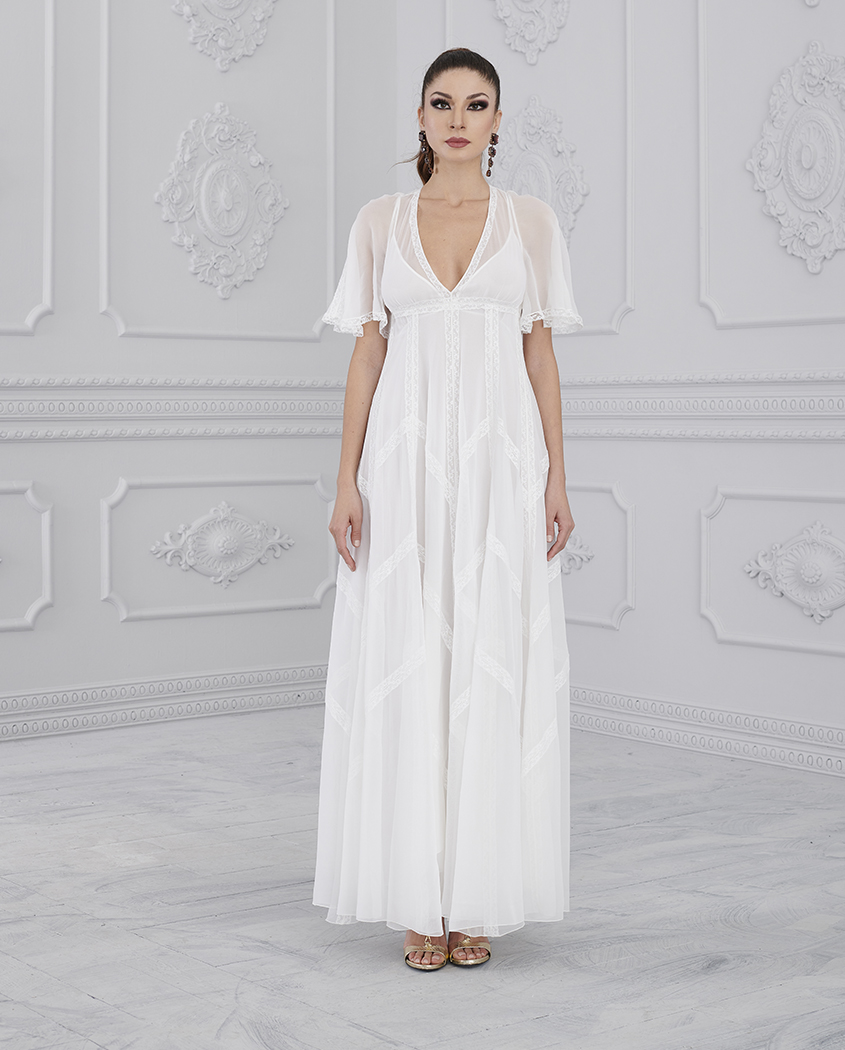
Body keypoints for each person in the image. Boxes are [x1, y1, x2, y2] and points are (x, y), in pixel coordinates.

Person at [314, 47, 582, 971]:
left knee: (489, 658)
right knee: (411, 658)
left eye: (476, 104)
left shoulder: (531, 223)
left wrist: (557, 476)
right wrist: (346, 480)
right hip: (404, 467)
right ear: (420, 116)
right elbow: (366, 355)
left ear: (498, 120)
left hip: (502, 468)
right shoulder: (380, 221)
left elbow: (541, 354)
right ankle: (416, 902)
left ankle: (475, 897)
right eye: (442, 102)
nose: (458, 118)